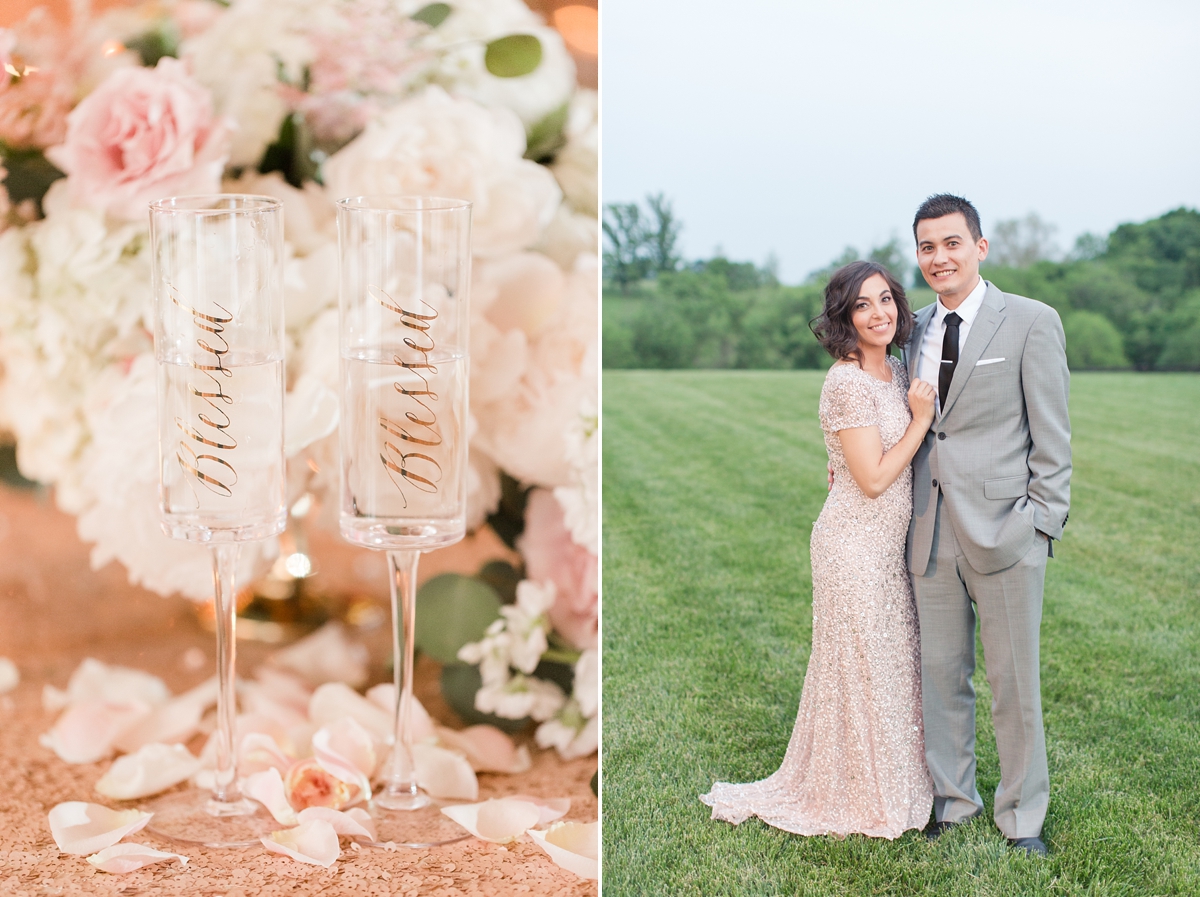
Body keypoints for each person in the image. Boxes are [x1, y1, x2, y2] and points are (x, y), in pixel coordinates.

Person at [700, 261, 936, 839]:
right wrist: (920, 420)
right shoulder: (846, 380)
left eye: (885, 300)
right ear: (844, 317)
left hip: (888, 545)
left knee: (890, 666)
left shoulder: (898, 370)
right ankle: (852, 789)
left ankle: (899, 780)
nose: (879, 313)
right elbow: (875, 478)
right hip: (852, 547)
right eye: (863, 305)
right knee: (859, 666)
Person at [904, 194, 1071, 857]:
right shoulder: (909, 326)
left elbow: (1053, 439)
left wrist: (1041, 525)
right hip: (930, 531)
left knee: (1012, 683)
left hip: (1008, 532)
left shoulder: (1030, 321)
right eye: (925, 247)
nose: (938, 257)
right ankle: (954, 801)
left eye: (950, 242)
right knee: (941, 677)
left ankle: (1022, 816)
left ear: (981, 246)